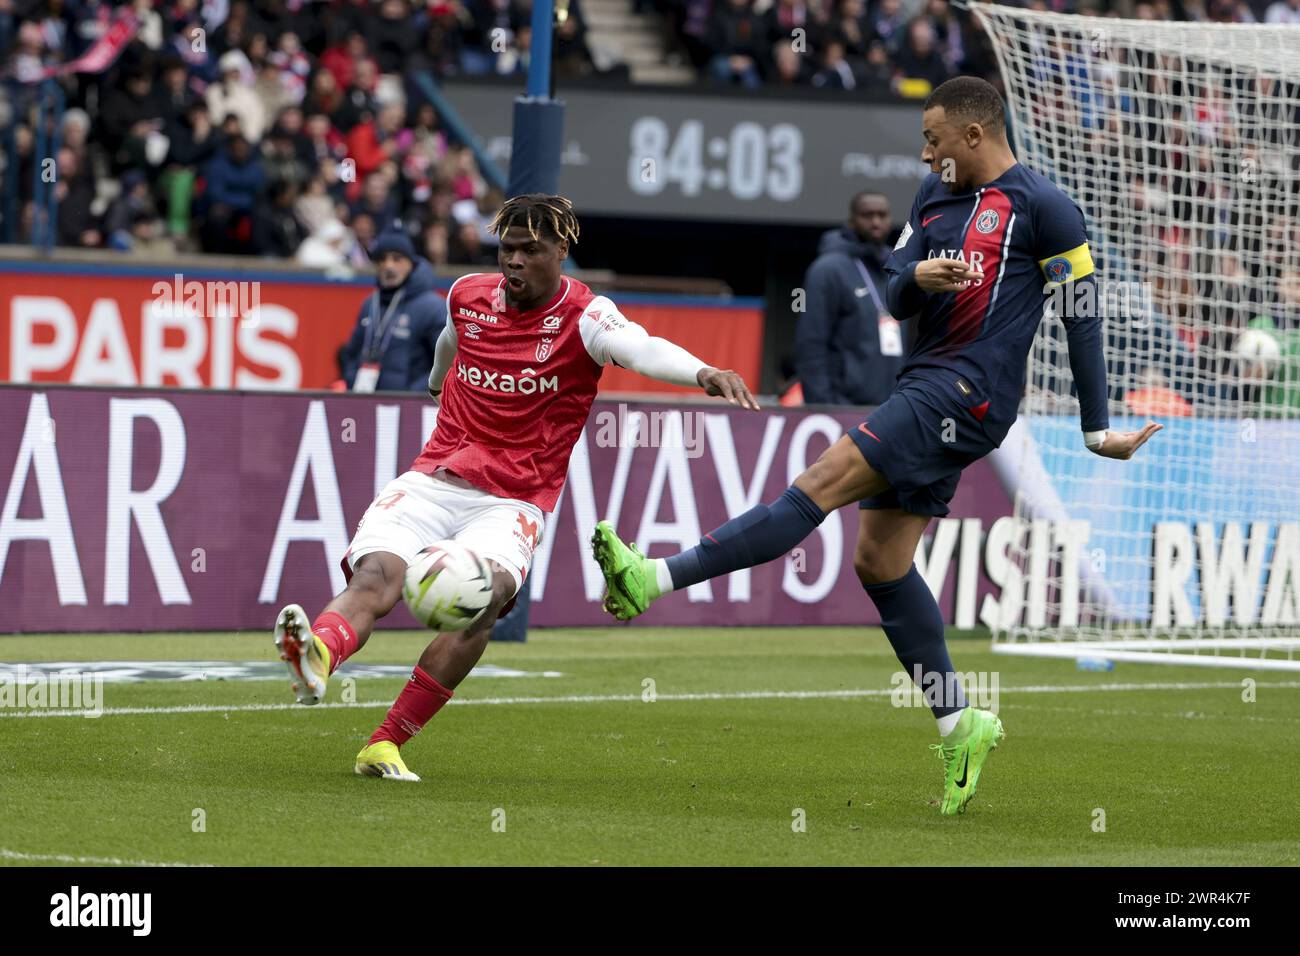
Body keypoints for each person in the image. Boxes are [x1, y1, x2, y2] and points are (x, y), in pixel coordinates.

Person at [590, 77, 1162, 816]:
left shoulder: (1044, 209)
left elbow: (1081, 316)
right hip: (923, 381)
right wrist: (918, 276)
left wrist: (1094, 427)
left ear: (974, 136)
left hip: (967, 394)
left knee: (819, 483)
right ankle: (961, 723)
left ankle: (652, 580)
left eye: (934, 138)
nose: (925, 151)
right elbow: (894, 287)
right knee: (880, 561)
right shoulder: (932, 199)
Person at [274, 195, 758, 781]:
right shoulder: (467, 295)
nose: (516, 262)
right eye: (508, 249)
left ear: (561, 253)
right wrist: (436, 381)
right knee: (378, 576)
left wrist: (702, 372)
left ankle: (385, 743)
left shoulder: (586, 317)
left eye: (531, 250)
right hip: (434, 478)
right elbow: (450, 341)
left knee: (484, 604)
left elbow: (641, 348)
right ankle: (318, 655)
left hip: (512, 500)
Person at [797, 191, 905, 406]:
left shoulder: (897, 268)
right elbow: (811, 344)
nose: (876, 222)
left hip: (891, 410)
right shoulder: (828, 269)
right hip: (843, 407)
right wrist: (824, 404)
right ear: (852, 221)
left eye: (882, 215)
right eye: (867, 215)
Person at [338, 228, 446, 393]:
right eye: (382, 259)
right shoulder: (370, 304)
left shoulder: (433, 307)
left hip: (411, 408)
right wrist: (353, 381)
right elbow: (350, 354)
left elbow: (447, 364)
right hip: (366, 403)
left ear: (411, 262)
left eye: (397, 259)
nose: (388, 266)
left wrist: (413, 396)